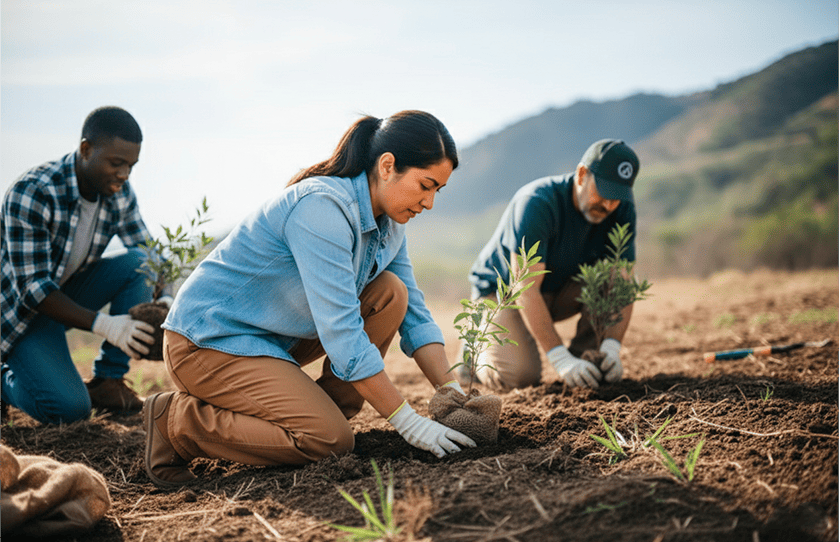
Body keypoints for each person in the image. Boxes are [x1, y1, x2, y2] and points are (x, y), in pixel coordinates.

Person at [143, 110, 475, 487]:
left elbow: (413, 314)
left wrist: (450, 394)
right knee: (328, 440)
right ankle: (177, 422)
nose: (429, 202)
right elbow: (341, 331)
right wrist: (406, 421)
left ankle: (319, 413)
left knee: (391, 294)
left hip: (270, 343)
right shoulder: (322, 208)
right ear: (387, 166)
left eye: (437, 191)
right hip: (208, 344)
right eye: (425, 185)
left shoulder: (391, 226)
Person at [1, 106, 159, 424]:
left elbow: (149, 253)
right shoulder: (33, 192)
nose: (125, 174)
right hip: (22, 314)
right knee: (69, 409)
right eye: (116, 163)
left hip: (65, 293)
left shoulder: (119, 194)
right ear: (86, 149)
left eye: (131, 165)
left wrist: (165, 295)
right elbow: (34, 290)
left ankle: (108, 381)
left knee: (140, 264)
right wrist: (107, 325)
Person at [464, 139, 640, 390]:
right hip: (504, 293)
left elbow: (623, 285)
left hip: (559, 289)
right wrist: (559, 358)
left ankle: (584, 360)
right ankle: (477, 346)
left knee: (611, 283)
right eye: (602, 192)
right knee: (519, 377)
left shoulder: (621, 210)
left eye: (617, 197)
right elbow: (525, 289)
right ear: (581, 175)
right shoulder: (536, 202)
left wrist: (611, 348)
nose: (609, 205)